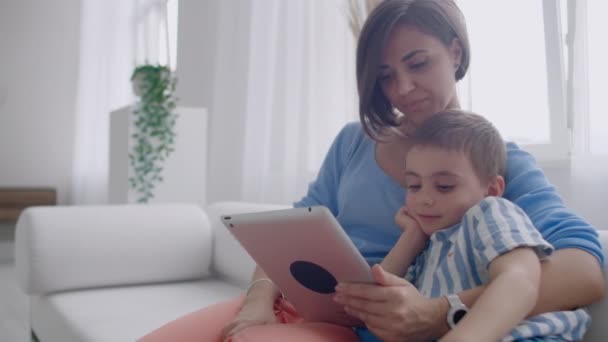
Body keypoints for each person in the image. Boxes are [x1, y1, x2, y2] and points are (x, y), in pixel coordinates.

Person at [138, 0, 604, 341]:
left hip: (364, 326)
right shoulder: (352, 143)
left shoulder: (491, 161)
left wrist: (441, 312)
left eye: (418, 64)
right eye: (384, 75)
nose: (402, 88)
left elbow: (584, 271)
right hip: (291, 305)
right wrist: (259, 297)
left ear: (456, 54)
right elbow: (287, 235)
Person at [374, 110, 590, 341]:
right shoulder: (427, 252)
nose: (424, 199)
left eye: (445, 186)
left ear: (492, 189)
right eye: (414, 185)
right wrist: (411, 237)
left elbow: (521, 280)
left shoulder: (489, 213)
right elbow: (377, 297)